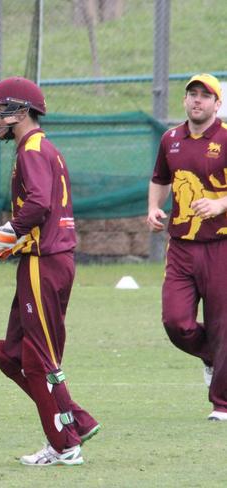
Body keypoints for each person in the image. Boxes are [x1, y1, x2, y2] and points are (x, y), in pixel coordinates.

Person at [0, 76, 100, 466]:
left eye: (0, 111)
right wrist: (3, 242)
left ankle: (64, 444)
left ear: (21, 111)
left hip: (45, 263)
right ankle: (75, 419)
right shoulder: (40, 147)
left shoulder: (31, 149)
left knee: (40, 358)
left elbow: (40, 204)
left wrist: (4, 235)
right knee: (9, 352)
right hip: (45, 260)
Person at [146, 73, 227, 422]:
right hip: (181, 245)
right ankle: (212, 355)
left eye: (204, 96)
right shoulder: (171, 139)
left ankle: (222, 403)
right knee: (175, 321)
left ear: (216, 104)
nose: (197, 100)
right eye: (192, 94)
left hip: (221, 244)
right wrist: (153, 208)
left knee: (222, 323)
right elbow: (160, 178)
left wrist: (220, 204)